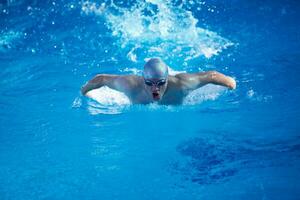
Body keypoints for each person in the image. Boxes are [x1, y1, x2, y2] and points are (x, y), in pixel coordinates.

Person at [81, 58, 236, 105]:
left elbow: (211, 76)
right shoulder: (130, 85)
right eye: (149, 83)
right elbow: (101, 78)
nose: (155, 88)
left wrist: (230, 83)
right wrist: (84, 91)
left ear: (167, 80)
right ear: (143, 80)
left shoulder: (182, 84)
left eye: (160, 83)